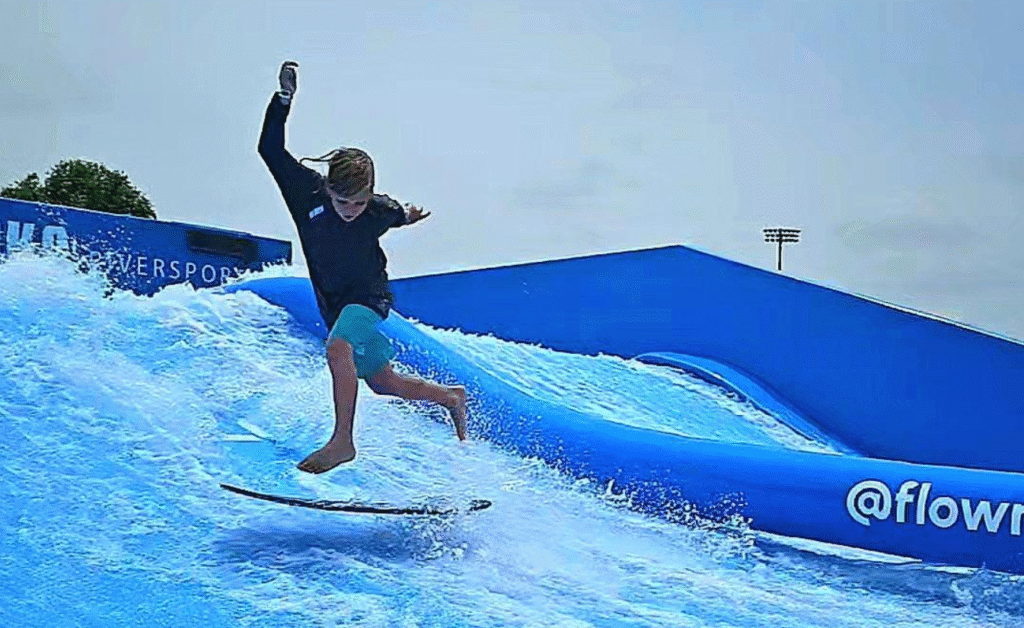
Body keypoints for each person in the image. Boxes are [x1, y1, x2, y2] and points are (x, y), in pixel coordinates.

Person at [258, 60, 467, 474]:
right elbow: (270, 149)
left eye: (359, 201)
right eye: (343, 201)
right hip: (333, 303)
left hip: (369, 298)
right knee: (382, 382)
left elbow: (397, 214)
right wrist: (283, 99)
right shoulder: (305, 192)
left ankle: (342, 442)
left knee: (338, 348)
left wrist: (408, 215)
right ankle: (450, 397)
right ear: (328, 189)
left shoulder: (377, 210)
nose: (352, 210)